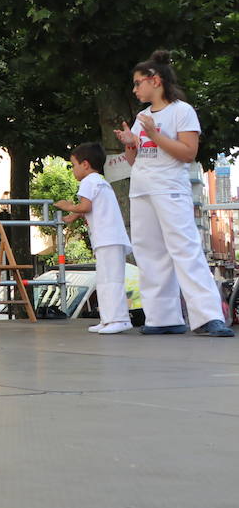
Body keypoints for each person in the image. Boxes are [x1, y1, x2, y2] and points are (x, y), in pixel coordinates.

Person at [114, 50, 233, 337]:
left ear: (155, 81)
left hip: (170, 188)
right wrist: (131, 144)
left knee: (185, 249)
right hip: (142, 189)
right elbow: (136, 161)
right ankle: (162, 317)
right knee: (149, 253)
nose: (135, 89)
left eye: (138, 82)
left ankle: (207, 317)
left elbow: (188, 153)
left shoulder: (182, 110)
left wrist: (155, 135)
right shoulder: (142, 115)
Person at [55, 142, 132, 334]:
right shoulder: (100, 181)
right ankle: (108, 319)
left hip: (108, 238)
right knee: (105, 279)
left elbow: (85, 206)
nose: (73, 170)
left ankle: (119, 319)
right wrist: (74, 215)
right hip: (108, 238)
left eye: (74, 165)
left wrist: (68, 207)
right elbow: (90, 207)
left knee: (111, 280)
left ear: (85, 164)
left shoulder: (88, 181)